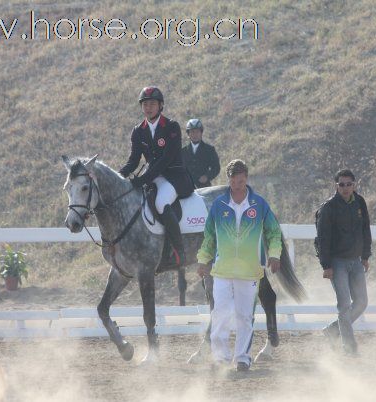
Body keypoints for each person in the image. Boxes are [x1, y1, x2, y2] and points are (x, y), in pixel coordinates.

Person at [197, 159, 281, 371]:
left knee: (245, 316)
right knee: (220, 314)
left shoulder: (259, 204)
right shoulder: (218, 205)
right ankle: (221, 357)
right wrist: (203, 259)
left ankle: (242, 357)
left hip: (250, 271)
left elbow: (273, 232)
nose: (238, 185)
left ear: (247, 179)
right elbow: (209, 236)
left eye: (241, 181)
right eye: (234, 181)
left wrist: (275, 254)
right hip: (222, 270)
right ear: (229, 180)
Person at [119, 86, 194, 267]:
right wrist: (119, 176)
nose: (148, 107)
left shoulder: (172, 126)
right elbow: (133, 160)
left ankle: (179, 251)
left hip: (175, 177)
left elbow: (166, 159)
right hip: (154, 177)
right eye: (145, 104)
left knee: (161, 203)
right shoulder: (138, 131)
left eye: (152, 103)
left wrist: (143, 179)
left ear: (160, 105)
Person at [316, 169, 372, 356]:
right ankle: (350, 349)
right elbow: (322, 239)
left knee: (362, 302)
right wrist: (326, 265)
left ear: (354, 184)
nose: (346, 188)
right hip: (337, 262)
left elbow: (366, 230)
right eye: (342, 184)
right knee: (344, 305)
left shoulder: (360, 203)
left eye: (349, 184)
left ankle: (332, 331)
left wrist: (365, 256)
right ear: (336, 186)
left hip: (356, 261)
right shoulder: (328, 208)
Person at [181, 118, 221, 188]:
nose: (195, 134)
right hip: (186, 188)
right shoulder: (182, 151)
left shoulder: (209, 150)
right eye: (192, 132)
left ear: (201, 132)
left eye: (197, 132)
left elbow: (216, 167)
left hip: (204, 188)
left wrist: (207, 176)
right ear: (188, 134)